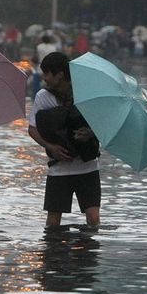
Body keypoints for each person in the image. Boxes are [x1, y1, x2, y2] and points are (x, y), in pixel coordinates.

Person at [27, 52, 100, 227]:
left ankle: (88, 253)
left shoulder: (85, 93)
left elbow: (102, 124)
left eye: (47, 74)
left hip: (87, 167)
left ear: (60, 74)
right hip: (59, 170)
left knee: (94, 218)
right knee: (53, 222)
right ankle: (53, 253)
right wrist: (51, 147)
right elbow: (32, 129)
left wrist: (90, 133)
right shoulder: (43, 97)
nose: (44, 79)